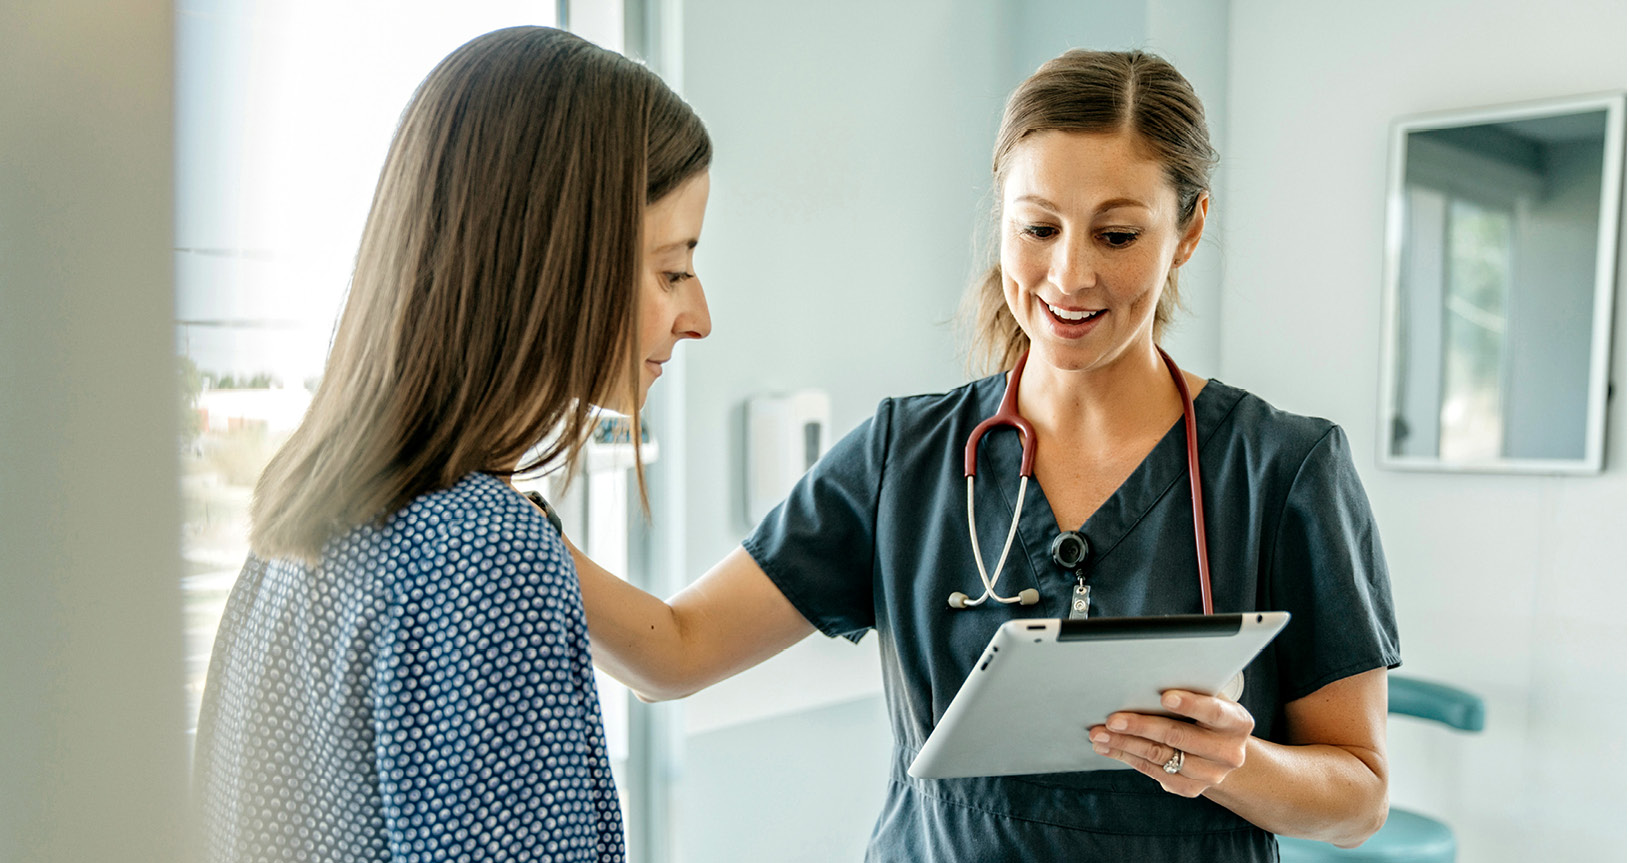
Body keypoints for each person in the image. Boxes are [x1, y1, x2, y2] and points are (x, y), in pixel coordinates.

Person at [574, 49, 1398, 860]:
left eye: (1115, 234)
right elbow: (672, 652)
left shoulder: (1282, 469)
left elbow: (1357, 797)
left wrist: (1232, 763)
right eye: (1037, 227)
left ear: (1188, 230)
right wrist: (498, 502)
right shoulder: (905, 457)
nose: (1068, 275)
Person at [192, 26, 713, 863]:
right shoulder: (487, 555)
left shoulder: (295, 528)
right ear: (558, 257)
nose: (698, 317)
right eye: (672, 270)